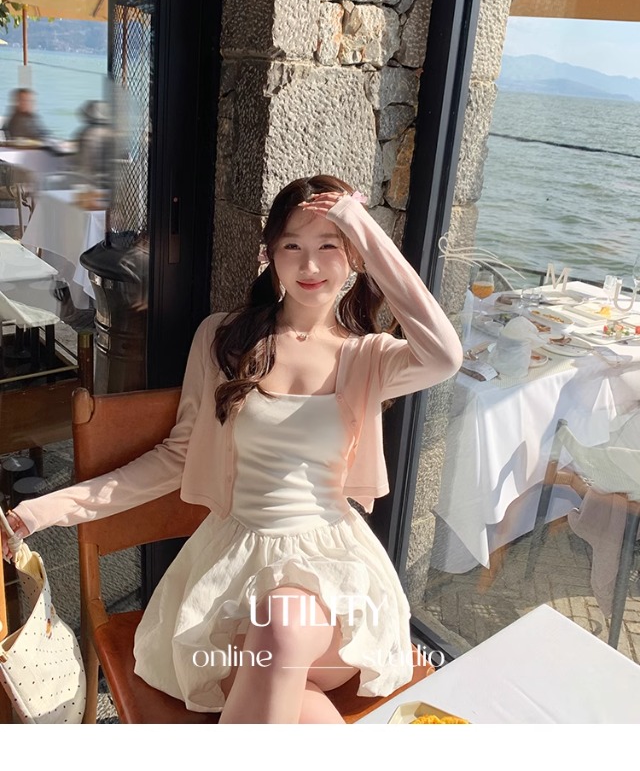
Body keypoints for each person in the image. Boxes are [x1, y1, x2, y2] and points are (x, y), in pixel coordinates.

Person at [2, 174, 463, 724]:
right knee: (296, 701)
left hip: (333, 581)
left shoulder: (368, 357)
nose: (310, 265)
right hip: (235, 568)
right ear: (270, 254)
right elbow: (176, 458)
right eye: (292, 246)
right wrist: (40, 512)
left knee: (283, 628)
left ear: (356, 257)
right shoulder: (224, 340)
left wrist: (363, 227)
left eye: (329, 246)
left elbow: (444, 355)